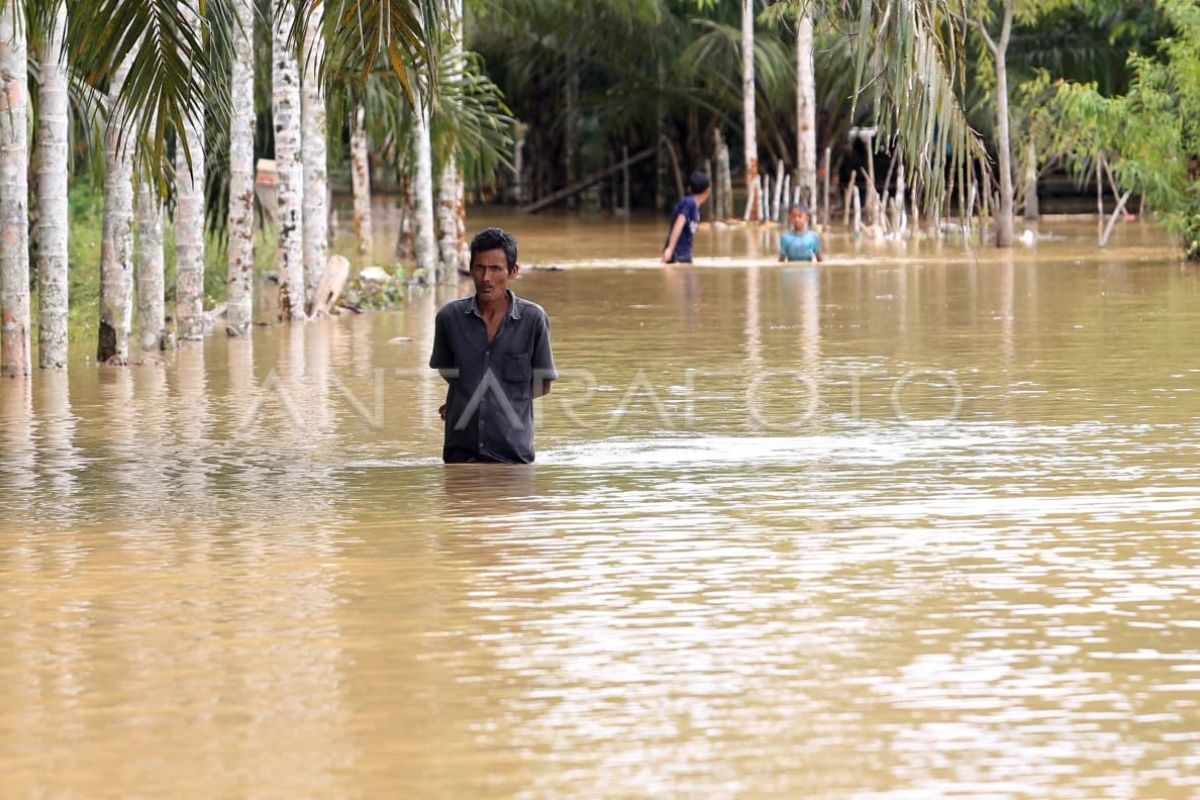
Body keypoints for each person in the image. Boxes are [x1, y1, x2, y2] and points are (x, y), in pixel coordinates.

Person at [429, 228, 558, 464]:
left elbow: (543, 385)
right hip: (460, 457)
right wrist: (467, 400)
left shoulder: (533, 319)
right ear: (470, 270)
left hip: (513, 458)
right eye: (479, 267)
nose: (486, 277)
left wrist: (484, 403)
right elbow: (447, 371)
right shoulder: (449, 318)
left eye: (495, 269)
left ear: (513, 271)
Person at [661, 171, 711, 264]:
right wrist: (670, 249)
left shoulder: (694, 206)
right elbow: (679, 223)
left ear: (689, 188)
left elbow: (687, 228)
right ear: (707, 191)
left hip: (684, 256)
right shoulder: (689, 203)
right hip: (678, 256)